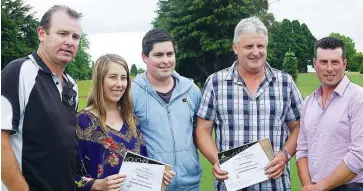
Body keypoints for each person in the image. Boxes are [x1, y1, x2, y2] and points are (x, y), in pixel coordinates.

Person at [195, 16, 304, 191]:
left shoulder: (285, 82)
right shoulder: (216, 83)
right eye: (248, 46)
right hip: (231, 184)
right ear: (235, 47)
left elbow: (299, 126)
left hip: (274, 185)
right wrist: (217, 160)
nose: (256, 52)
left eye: (260, 46)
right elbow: (202, 130)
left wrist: (285, 154)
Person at [1, 5, 82, 191]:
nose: (70, 42)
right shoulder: (18, 72)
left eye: (75, 37)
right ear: (42, 33)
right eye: (62, 33)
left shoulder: (72, 86)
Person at [75, 54, 175, 191]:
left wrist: (158, 177)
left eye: (123, 78)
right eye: (112, 77)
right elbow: (67, 176)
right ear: (100, 80)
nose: (119, 84)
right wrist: (97, 185)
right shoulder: (83, 121)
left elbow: (143, 166)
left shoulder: (131, 119)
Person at [131, 28, 202, 190]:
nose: (166, 60)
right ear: (144, 57)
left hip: (190, 184)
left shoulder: (192, 90)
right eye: (158, 55)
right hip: (151, 185)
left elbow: (200, 134)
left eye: (170, 54)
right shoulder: (132, 93)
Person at [296, 37, 363, 191]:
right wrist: (309, 187)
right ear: (315, 64)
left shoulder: (359, 99)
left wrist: (321, 187)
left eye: (335, 62)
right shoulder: (308, 103)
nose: (329, 68)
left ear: (344, 64)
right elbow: (302, 150)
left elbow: (360, 155)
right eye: (323, 62)